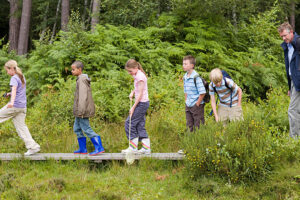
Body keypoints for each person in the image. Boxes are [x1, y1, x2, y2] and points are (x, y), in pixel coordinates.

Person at [1, 60, 40, 156]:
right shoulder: (21, 76)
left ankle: (33, 147)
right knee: (21, 128)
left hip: (15, 106)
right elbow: (19, 90)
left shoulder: (14, 78)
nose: (7, 72)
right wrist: (9, 94)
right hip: (22, 107)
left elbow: (14, 90)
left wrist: (12, 102)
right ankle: (33, 147)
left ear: (11, 69)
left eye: (7, 70)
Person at [71, 61, 105, 156]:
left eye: (73, 69)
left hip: (82, 110)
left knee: (86, 128)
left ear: (79, 70)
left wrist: (81, 110)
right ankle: (83, 149)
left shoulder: (82, 80)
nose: (72, 71)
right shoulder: (80, 79)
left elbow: (83, 96)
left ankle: (99, 147)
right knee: (77, 128)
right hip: (79, 110)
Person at [121, 59, 151, 154]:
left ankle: (133, 148)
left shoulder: (140, 77)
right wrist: (132, 92)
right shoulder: (137, 75)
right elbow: (138, 89)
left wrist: (133, 107)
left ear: (136, 68)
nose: (129, 73)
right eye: (128, 71)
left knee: (129, 123)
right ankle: (146, 148)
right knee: (140, 125)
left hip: (142, 103)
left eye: (130, 71)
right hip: (142, 102)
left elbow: (141, 93)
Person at [278, 22, 300, 138]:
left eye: (285, 35)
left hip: (298, 80)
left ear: (291, 32)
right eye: (281, 36)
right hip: (293, 81)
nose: (283, 38)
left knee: (292, 110)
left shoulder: (298, 42)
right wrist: (289, 87)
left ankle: (294, 140)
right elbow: (289, 69)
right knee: (297, 110)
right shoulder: (287, 46)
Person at [183, 55, 206, 132]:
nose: (183, 66)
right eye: (183, 64)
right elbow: (185, 90)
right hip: (188, 104)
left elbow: (202, 93)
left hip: (196, 106)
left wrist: (197, 104)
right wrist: (186, 101)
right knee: (189, 125)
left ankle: (199, 141)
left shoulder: (196, 77)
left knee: (198, 126)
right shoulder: (185, 77)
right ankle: (190, 141)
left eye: (186, 64)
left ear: (192, 65)